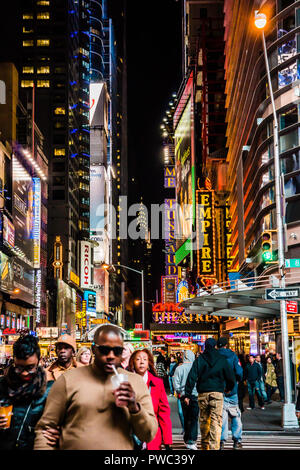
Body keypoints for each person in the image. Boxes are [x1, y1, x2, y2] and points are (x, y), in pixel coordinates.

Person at [34, 325, 158, 450]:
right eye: (104, 350)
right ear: (94, 349)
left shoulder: (135, 382)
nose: (110, 355)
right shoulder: (68, 380)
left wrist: (134, 407)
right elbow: (45, 430)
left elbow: (148, 434)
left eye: (117, 351)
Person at [0, 335, 58, 450]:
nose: (25, 373)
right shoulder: (2, 385)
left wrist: (60, 432)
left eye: (30, 367)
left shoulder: (49, 390)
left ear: (39, 361)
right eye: (19, 367)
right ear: (14, 361)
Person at [185, 338, 235, 451]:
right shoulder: (222, 359)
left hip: (203, 393)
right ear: (215, 346)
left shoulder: (200, 359)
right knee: (216, 421)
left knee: (204, 420)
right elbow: (230, 377)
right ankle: (214, 447)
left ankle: (204, 446)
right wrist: (228, 388)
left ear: (205, 347)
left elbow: (192, 376)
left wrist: (187, 394)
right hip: (217, 393)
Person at [129, 348, 172, 450]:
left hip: (152, 435)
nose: (142, 362)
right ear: (133, 363)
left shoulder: (157, 383)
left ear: (149, 363)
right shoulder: (127, 381)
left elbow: (164, 413)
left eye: (145, 359)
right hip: (131, 434)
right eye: (138, 359)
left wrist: (167, 441)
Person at [217, 337, 243, 450]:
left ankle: (221, 441)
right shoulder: (233, 355)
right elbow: (239, 371)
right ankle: (237, 440)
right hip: (232, 390)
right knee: (235, 415)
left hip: (218, 390)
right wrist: (236, 382)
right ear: (226, 345)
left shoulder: (215, 355)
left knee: (221, 416)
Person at [173, 350, 199, 450]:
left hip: (183, 396)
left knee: (186, 417)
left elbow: (176, 384)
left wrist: (180, 392)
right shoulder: (196, 368)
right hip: (195, 395)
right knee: (194, 418)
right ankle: (192, 439)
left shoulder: (179, 368)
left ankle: (187, 438)